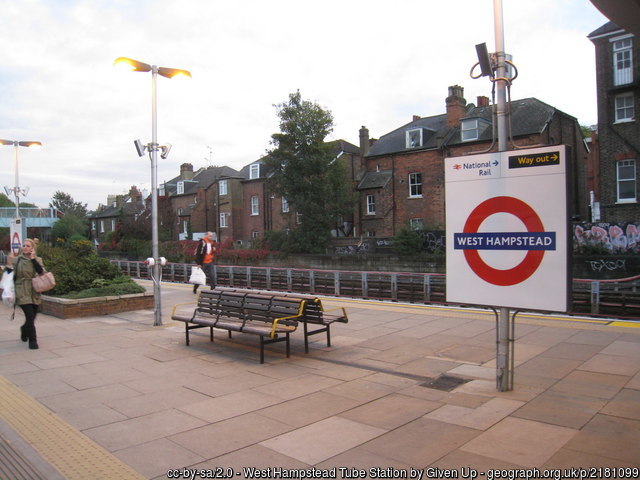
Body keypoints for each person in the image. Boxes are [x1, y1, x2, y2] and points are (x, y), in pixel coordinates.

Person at [7, 238, 45, 350]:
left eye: (28, 246)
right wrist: (9, 263)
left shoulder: (38, 259)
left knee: (33, 316)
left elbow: (41, 272)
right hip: (21, 290)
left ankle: (24, 329)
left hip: (34, 290)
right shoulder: (17, 260)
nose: (25, 247)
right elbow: (9, 275)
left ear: (33, 248)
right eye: (24, 245)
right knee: (29, 316)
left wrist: (33, 259)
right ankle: (33, 341)